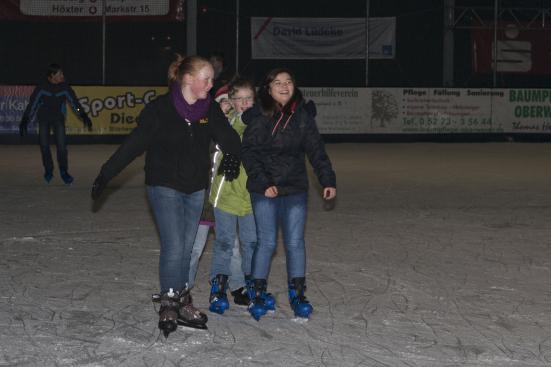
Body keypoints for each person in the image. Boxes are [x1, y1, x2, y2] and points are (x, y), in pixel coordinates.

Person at [90, 55, 242, 337]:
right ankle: (169, 301)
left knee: (186, 246)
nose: (212, 84)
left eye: (212, 79)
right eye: (206, 78)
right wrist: (106, 173)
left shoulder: (209, 109)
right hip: (164, 185)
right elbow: (135, 143)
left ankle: (181, 300)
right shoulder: (160, 109)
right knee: (174, 244)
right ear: (188, 79)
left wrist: (234, 153)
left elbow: (227, 135)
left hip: (195, 187)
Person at [241, 68, 337, 321]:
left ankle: (297, 294)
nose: (284, 86)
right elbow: (249, 152)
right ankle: (257, 294)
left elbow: (316, 150)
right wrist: (264, 183)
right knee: (267, 242)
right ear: (268, 88)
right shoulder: (260, 116)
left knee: (295, 242)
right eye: (278, 82)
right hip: (265, 189)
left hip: (294, 187)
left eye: (289, 82)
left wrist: (327, 178)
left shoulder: (302, 116)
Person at [188, 85, 250, 310]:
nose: (225, 106)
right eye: (220, 102)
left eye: (228, 102)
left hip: (227, 199)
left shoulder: (237, 130)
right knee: (195, 247)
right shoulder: (204, 128)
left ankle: (238, 285)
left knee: (232, 246)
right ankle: (183, 287)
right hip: (205, 199)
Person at [207, 78, 259, 314]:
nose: (246, 104)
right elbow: (237, 126)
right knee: (225, 243)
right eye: (241, 99)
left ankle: (250, 286)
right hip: (225, 194)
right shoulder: (226, 123)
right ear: (231, 102)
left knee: (250, 244)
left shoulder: (260, 125)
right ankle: (218, 287)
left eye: (250, 99)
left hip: (251, 197)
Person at [19, 63, 93, 184]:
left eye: (62, 73)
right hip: (44, 119)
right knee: (44, 146)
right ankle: (49, 169)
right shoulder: (42, 87)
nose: (63, 76)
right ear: (52, 76)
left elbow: (75, 104)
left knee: (62, 147)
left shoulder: (64, 87)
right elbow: (32, 104)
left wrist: (83, 115)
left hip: (58, 118)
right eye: (60, 74)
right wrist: (25, 119)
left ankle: (64, 171)